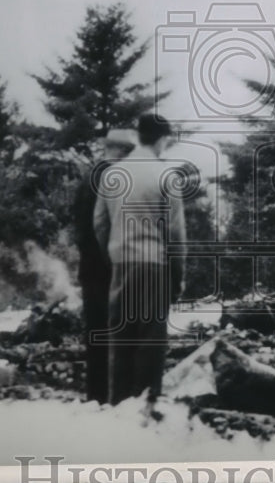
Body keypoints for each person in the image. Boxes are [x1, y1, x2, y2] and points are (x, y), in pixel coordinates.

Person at [93, 114, 186, 411]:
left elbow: (99, 223)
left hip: (122, 265)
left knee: (121, 341)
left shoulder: (112, 174)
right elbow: (175, 234)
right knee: (150, 343)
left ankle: (118, 409)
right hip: (154, 265)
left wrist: (114, 255)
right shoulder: (166, 176)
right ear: (162, 139)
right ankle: (145, 412)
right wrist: (177, 275)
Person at [71, 128, 135, 404]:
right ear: (121, 152)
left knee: (96, 335)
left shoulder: (88, 178)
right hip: (112, 270)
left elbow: (78, 228)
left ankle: (96, 397)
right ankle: (119, 400)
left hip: (90, 270)